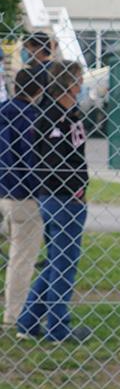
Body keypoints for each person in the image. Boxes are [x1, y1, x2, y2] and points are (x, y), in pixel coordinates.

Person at [17, 61, 90, 344]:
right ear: (69, 84)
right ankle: (58, 328)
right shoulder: (60, 116)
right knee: (65, 264)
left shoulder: (55, 113)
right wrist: (76, 190)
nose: (82, 85)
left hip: (50, 196)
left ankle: (28, 322)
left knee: (55, 261)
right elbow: (58, 158)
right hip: (63, 197)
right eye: (79, 79)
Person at [0, 66, 45, 327]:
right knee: (21, 259)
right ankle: (14, 315)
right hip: (22, 197)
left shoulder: (3, 112)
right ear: (40, 90)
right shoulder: (30, 118)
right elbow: (31, 160)